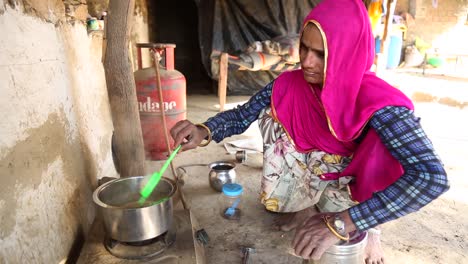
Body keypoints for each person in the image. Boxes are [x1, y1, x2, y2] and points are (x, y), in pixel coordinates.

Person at [170, 0, 449, 262]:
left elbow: (431, 177)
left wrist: (344, 222)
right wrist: (204, 130)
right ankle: (307, 205)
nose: (306, 61)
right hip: (323, 163)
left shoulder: (381, 105)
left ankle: (372, 230)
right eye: (304, 48)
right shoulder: (291, 84)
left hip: (359, 174)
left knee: (388, 157)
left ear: (350, 52)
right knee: (273, 111)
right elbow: (244, 114)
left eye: (321, 54)